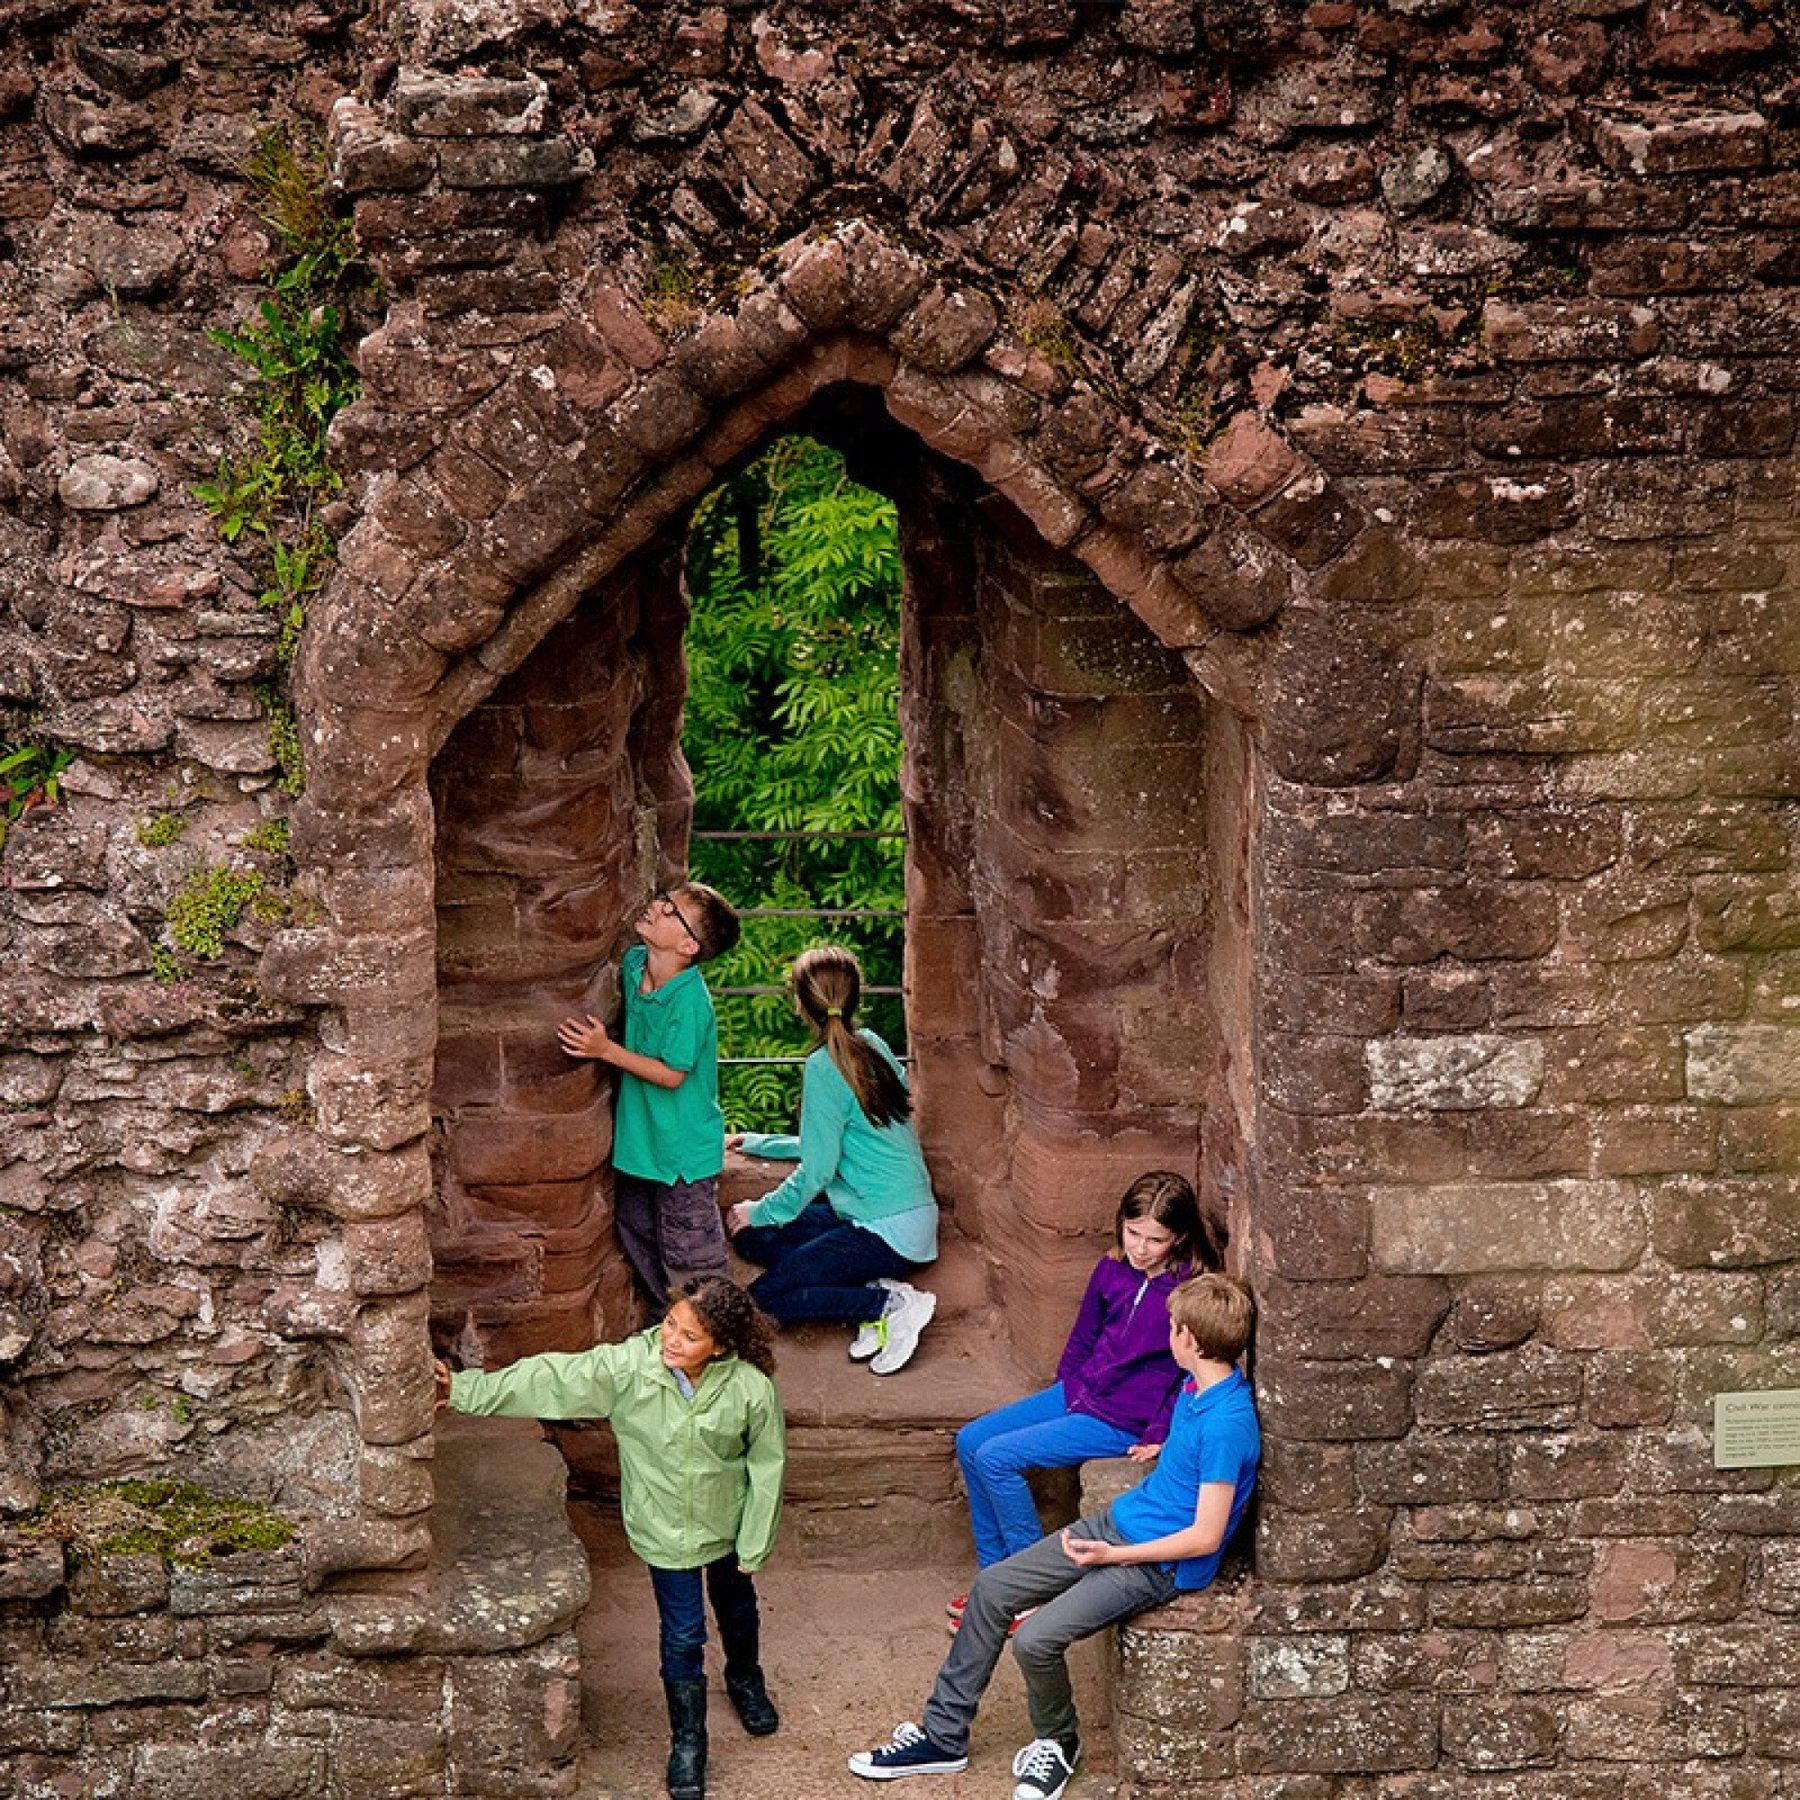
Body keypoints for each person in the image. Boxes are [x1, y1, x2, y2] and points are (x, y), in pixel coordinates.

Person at [849, 1273, 1258, 1800]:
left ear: (1191, 1341)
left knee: (1037, 1640)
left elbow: (1204, 1537)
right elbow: (1190, 1465)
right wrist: (1163, 1450)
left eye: (1173, 1326)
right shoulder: (1195, 1387)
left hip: (1156, 1564)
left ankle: (1059, 1743)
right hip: (1121, 1525)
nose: (1168, 1334)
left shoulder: (1226, 1424)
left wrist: (1115, 1556)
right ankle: (943, 1736)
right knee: (992, 1588)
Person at [438, 1276, 785, 1800]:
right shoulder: (630, 1369)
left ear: (722, 1347)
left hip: (730, 1525)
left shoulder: (750, 1389)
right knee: (683, 1635)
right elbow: (553, 1378)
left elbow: (766, 1466)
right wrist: (465, 1390)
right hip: (664, 1530)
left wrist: (754, 1542)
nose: (672, 1340)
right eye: (670, 1324)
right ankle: (689, 1741)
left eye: (690, 1336)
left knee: (737, 1609)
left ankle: (744, 1679)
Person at [947, 1171, 1222, 1629]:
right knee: (970, 1440)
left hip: (1123, 1418)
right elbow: (1084, 1335)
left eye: (1155, 1239)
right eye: (1133, 1233)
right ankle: (995, 1581)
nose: (1140, 1248)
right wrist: (1068, 1385)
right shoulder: (1111, 1269)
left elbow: (1188, 1374)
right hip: (1080, 1393)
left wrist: (1159, 1431)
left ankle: (1029, 1592)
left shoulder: (1189, 1291)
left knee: (996, 1459)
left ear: (1178, 1237)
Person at [724, 944, 940, 1375]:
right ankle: (864, 1285)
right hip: (871, 1214)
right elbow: (830, 1141)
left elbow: (818, 1170)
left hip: (889, 1229)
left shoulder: (825, 1065)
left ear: (800, 1003)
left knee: (765, 1300)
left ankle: (886, 1305)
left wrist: (760, 1209)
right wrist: (758, 1143)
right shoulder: (872, 1044)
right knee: (752, 1238)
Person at [560, 882, 741, 1303]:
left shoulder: (690, 1001)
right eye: (664, 900)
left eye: (671, 911)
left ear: (688, 946)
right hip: (642, 1148)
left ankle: (718, 1333)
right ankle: (673, 1324)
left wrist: (605, 1050)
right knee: (637, 1231)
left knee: (690, 1257)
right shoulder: (634, 964)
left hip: (682, 1155)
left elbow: (672, 1075)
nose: (656, 907)